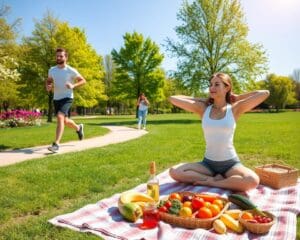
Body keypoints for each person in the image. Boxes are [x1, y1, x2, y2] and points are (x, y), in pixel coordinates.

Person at [169, 72, 270, 191]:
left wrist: (238, 97)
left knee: (252, 180)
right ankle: (212, 179)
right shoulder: (203, 109)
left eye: (217, 84)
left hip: (230, 164)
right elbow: (173, 99)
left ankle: (214, 183)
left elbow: (264, 93)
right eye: (211, 85)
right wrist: (202, 100)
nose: (212, 88)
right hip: (207, 164)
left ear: (227, 87)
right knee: (175, 171)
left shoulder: (234, 109)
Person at [46, 48, 86, 153]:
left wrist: (73, 85)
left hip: (67, 97)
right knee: (65, 121)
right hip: (56, 98)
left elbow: (83, 80)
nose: (58, 58)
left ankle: (56, 144)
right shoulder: (52, 70)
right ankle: (78, 128)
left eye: (61, 56)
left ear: (66, 57)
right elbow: (49, 81)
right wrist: (48, 86)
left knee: (60, 117)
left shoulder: (70, 70)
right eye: (57, 56)